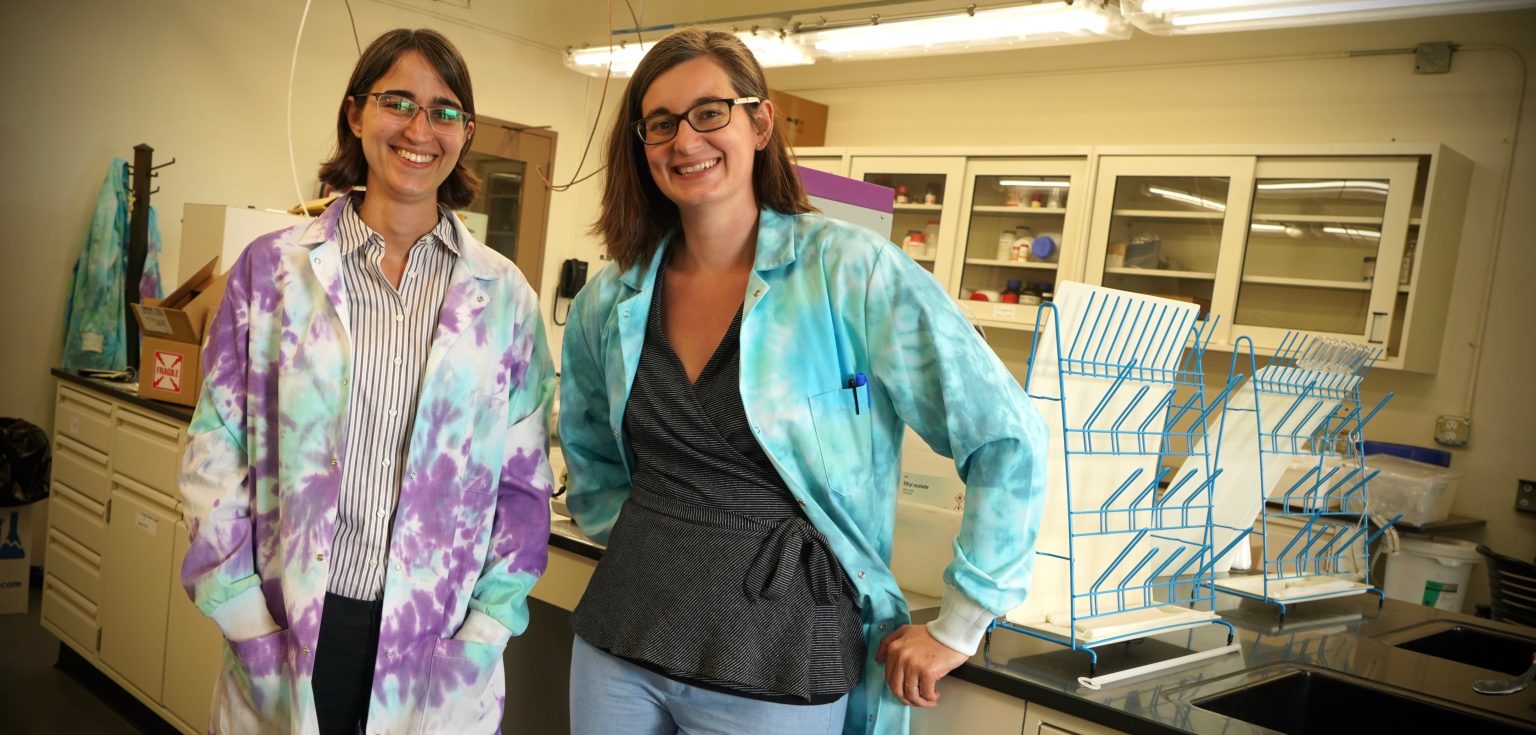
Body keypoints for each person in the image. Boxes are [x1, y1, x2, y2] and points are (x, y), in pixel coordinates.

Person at [559, 28, 1047, 735]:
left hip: (782, 658)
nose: (684, 140)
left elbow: (1006, 434)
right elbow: (591, 457)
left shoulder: (850, 274)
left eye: (709, 112)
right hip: (621, 642)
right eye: (659, 123)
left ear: (759, 123)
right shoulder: (614, 298)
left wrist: (962, 620)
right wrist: (668, 543)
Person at [179, 28, 555, 734]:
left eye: (445, 112)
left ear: (466, 134)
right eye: (398, 102)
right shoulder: (273, 271)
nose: (420, 129)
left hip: (434, 638)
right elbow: (214, 450)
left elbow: (524, 483)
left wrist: (487, 625)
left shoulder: (505, 297)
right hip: (290, 623)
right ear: (356, 115)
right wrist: (243, 615)